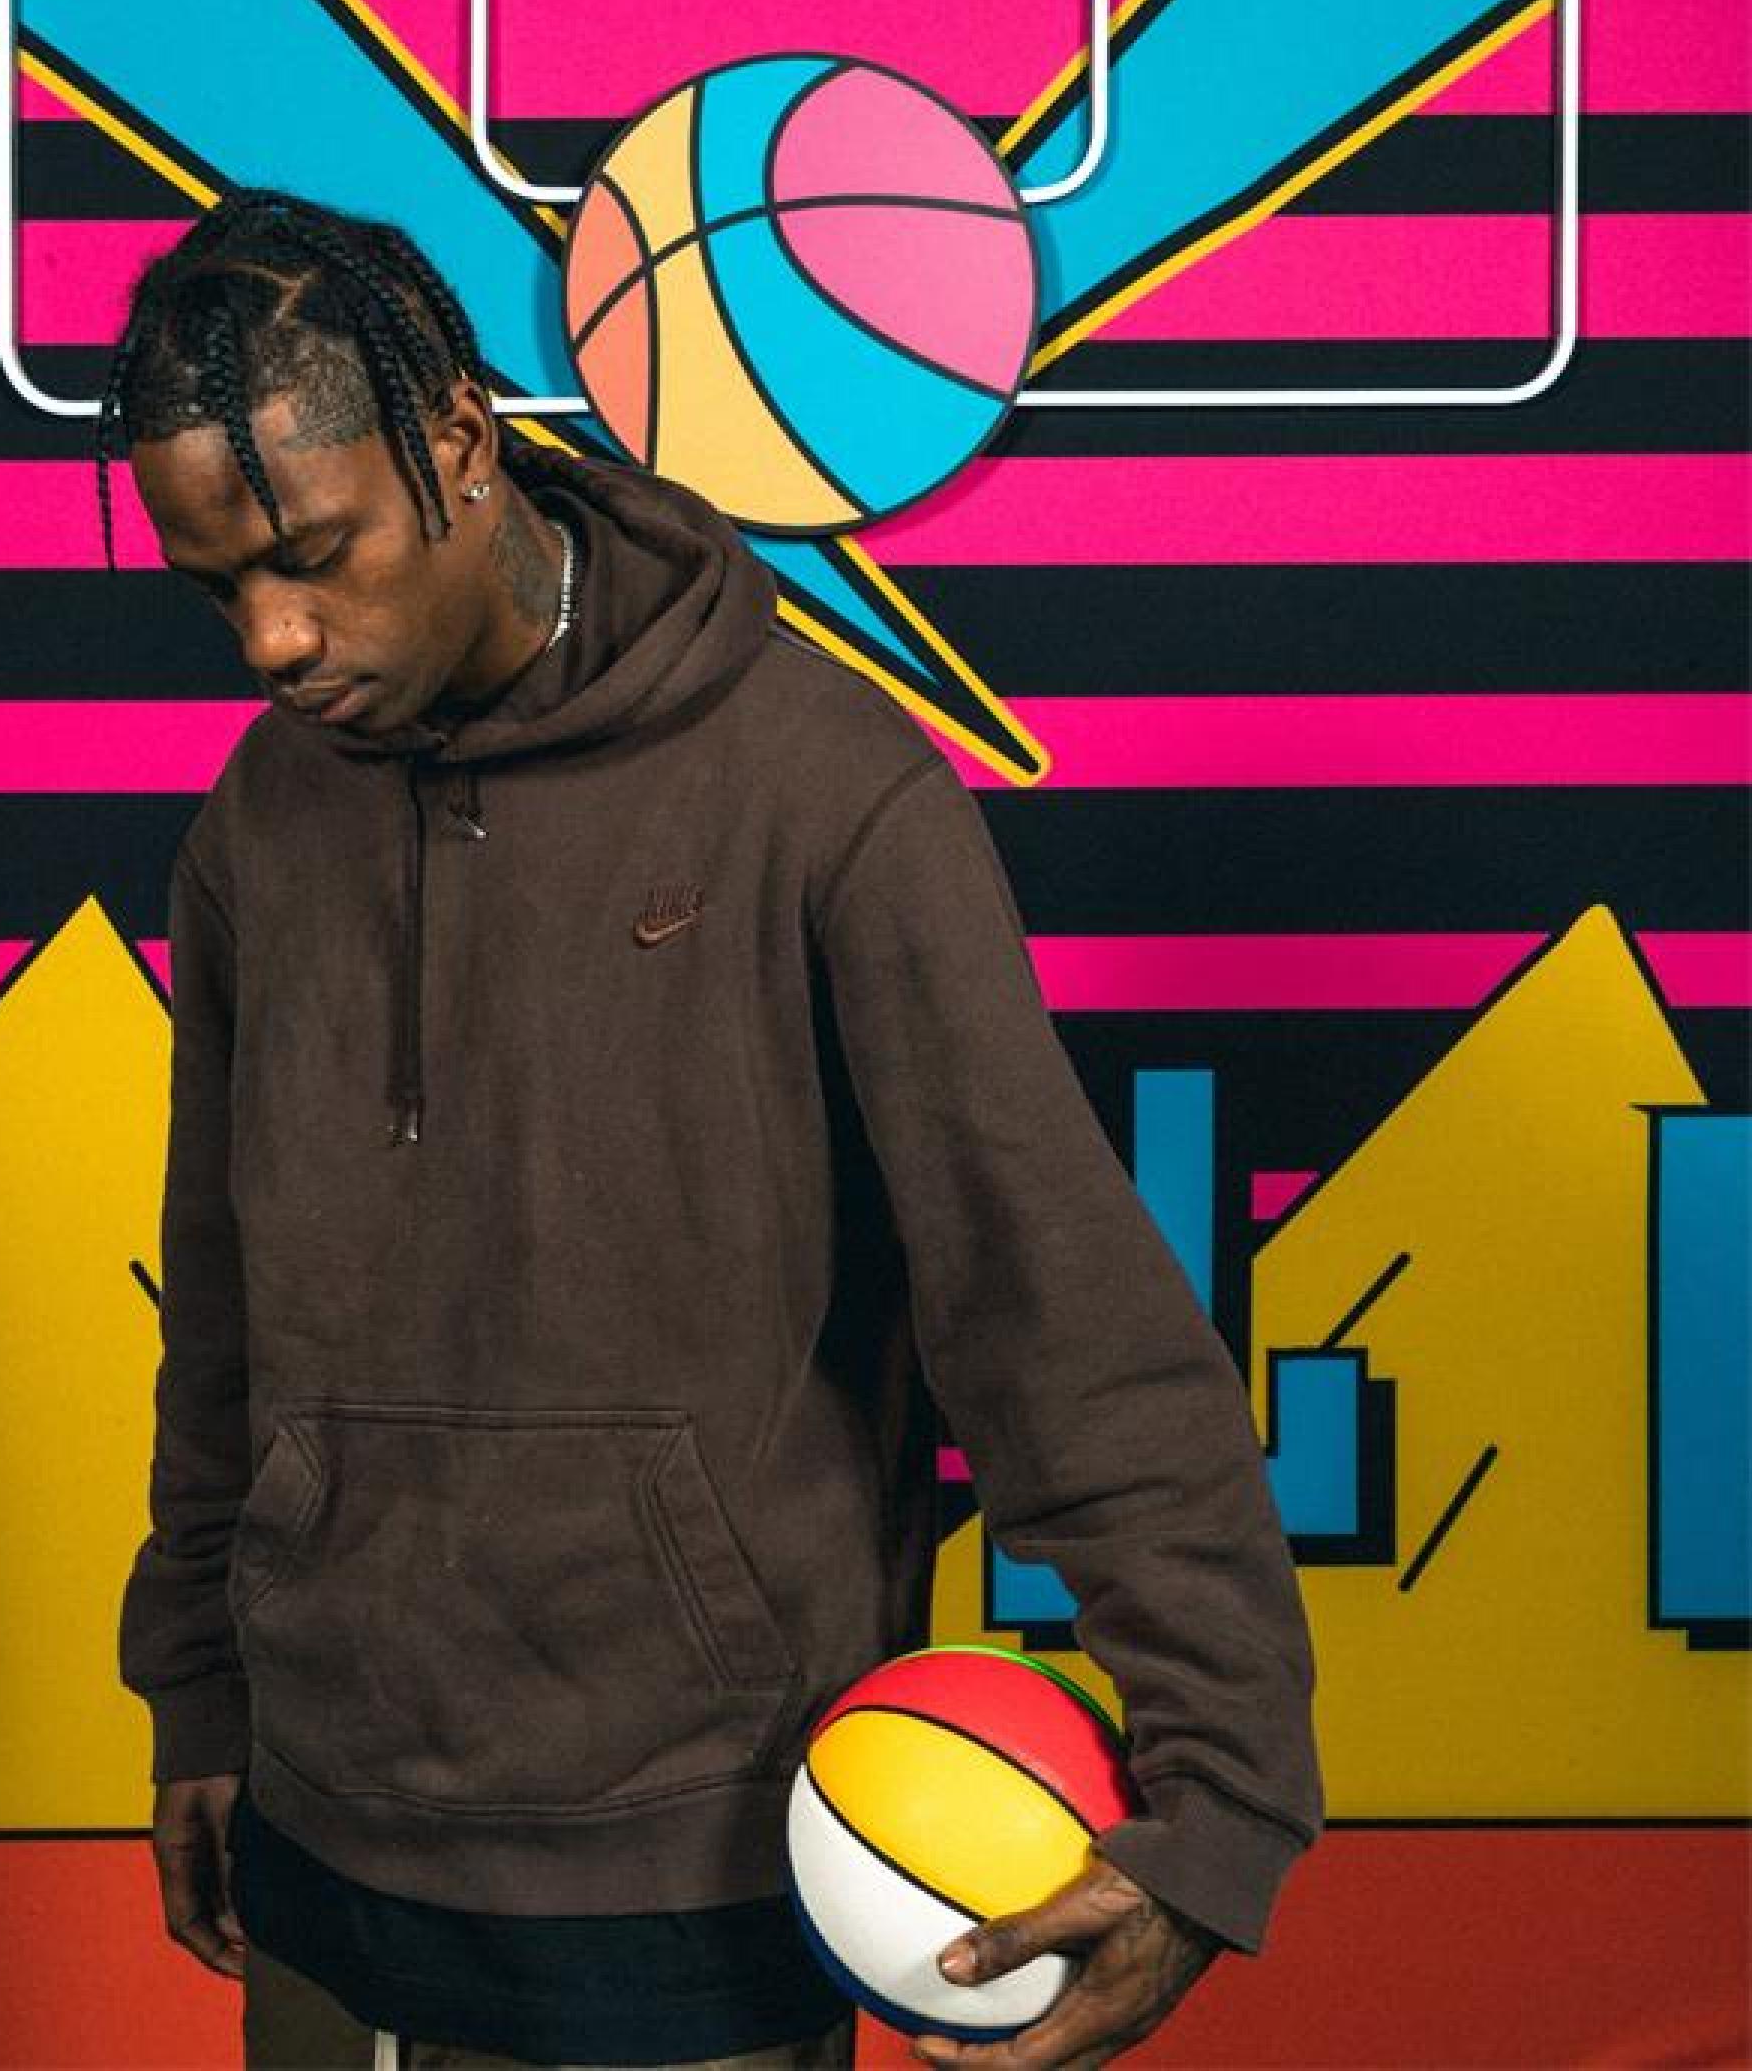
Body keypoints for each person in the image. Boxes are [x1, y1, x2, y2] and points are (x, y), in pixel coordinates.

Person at [108, 184, 1323, 2071]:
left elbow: (1053, 1309)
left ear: (459, 442)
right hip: (328, 1844)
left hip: (698, 1868)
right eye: (219, 588)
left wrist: (1221, 1794)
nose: (272, 636)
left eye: (318, 556)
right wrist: (197, 1683)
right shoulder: (263, 822)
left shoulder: (822, 792)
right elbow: (226, 1308)